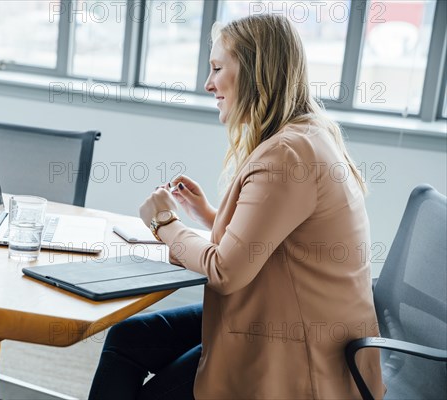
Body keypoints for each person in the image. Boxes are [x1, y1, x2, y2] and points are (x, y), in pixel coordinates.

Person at [89, 14, 384, 399]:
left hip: (297, 350)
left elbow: (225, 270)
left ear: (255, 71)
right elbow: (277, 243)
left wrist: (164, 223)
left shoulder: (286, 155)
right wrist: (209, 216)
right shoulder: (308, 133)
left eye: (216, 68)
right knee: (128, 338)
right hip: (292, 322)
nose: (209, 83)